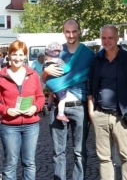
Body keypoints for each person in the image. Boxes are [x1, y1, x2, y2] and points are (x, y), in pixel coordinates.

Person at [88, 25, 127, 180]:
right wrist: (91, 112)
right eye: (104, 38)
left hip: (122, 116)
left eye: (110, 38)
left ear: (117, 38)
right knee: (104, 158)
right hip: (100, 114)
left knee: (126, 156)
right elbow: (90, 88)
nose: (106, 41)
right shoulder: (96, 61)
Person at [42, 18, 95, 180]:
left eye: (74, 31)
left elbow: (93, 83)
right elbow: (46, 80)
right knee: (59, 152)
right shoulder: (57, 52)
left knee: (80, 151)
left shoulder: (88, 54)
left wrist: (92, 110)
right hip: (59, 105)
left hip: (80, 106)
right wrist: (46, 72)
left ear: (79, 31)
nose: (70, 35)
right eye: (67, 31)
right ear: (63, 32)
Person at [0, 40, 45, 180]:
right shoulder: (1, 76)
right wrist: (6, 110)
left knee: (29, 163)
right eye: (14, 54)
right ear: (9, 55)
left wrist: (35, 107)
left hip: (31, 125)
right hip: (9, 126)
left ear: (25, 56)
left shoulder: (33, 75)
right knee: (10, 164)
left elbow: (40, 97)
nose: (17, 58)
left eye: (20, 55)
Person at [44, 42, 69, 122]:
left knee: (51, 93)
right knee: (63, 99)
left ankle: (49, 105)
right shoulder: (58, 60)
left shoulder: (46, 62)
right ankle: (60, 114)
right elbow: (66, 68)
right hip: (58, 85)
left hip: (49, 83)